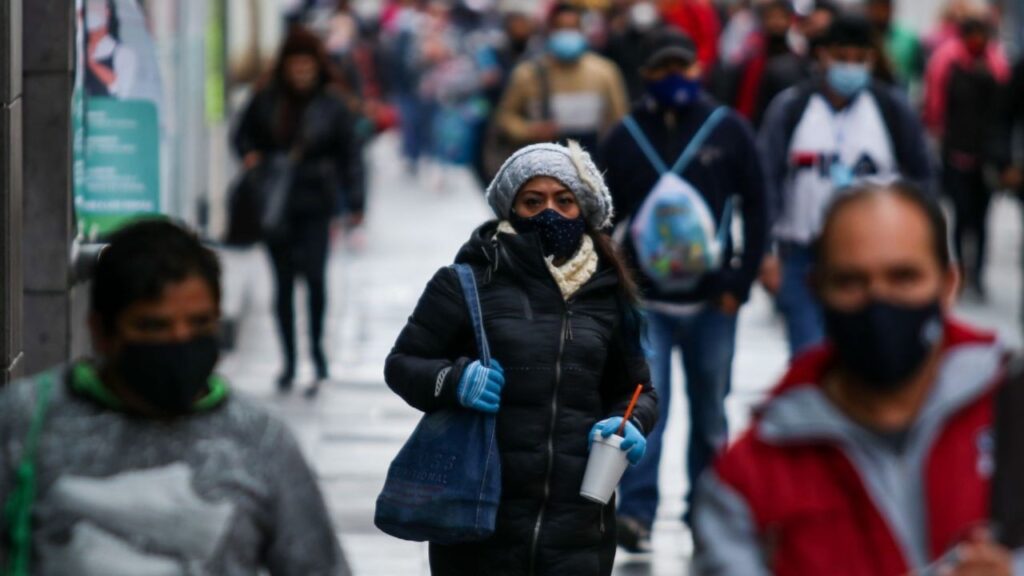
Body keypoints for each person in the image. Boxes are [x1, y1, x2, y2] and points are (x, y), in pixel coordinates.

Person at [692, 182, 1021, 576]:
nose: (878, 301)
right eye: (851, 282)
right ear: (817, 290)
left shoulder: (1011, 415)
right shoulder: (751, 481)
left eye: (903, 277)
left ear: (948, 284)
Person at [0, 219, 349, 575]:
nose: (179, 342)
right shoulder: (24, 422)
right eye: (154, 326)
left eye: (199, 325)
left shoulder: (260, 441)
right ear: (102, 331)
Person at [384, 141, 658, 575]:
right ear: (510, 209)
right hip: (480, 522)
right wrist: (457, 381)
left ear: (582, 210)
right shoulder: (465, 282)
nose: (549, 212)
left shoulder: (609, 293)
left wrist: (631, 423)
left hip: (579, 530)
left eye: (564, 201)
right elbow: (402, 364)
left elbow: (638, 389)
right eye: (533, 201)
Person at [597, 28, 767, 551]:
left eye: (683, 67)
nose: (674, 79)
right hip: (647, 303)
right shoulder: (624, 136)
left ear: (699, 70)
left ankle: (707, 513)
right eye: (662, 69)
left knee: (712, 409)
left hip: (714, 301)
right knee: (648, 407)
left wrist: (741, 280)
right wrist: (612, 288)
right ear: (645, 76)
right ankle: (639, 514)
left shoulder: (728, 130)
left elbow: (759, 207)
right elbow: (602, 218)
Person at [758, 14, 931, 357]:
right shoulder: (793, 108)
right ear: (822, 56)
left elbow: (923, 177)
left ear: (871, 60)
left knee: (866, 356)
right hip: (804, 255)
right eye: (841, 58)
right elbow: (767, 180)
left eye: (859, 60)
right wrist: (766, 253)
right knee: (809, 356)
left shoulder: (890, 109)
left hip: (875, 257)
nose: (850, 68)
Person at [233, 27, 364, 395]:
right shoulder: (266, 99)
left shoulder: (333, 104)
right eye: (296, 66)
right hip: (276, 204)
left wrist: (356, 202)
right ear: (285, 66)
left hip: (317, 203)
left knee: (317, 281)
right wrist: (251, 157)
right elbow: (241, 135)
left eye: (308, 66)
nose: (301, 73)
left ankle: (318, 355)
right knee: (283, 283)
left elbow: (351, 154)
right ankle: (289, 361)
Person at [923, 13, 1009, 300]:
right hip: (955, 151)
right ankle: (960, 271)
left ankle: (978, 275)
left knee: (982, 218)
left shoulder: (997, 65)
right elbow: (935, 104)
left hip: (986, 156)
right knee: (960, 215)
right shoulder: (947, 61)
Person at [494, 2, 629, 154]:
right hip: (545, 161)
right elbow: (504, 119)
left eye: (572, 28)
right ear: (550, 31)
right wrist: (530, 131)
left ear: (581, 30)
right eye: (561, 28)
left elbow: (620, 121)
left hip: (593, 159)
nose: (567, 34)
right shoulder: (528, 74)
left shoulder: (604, 72)